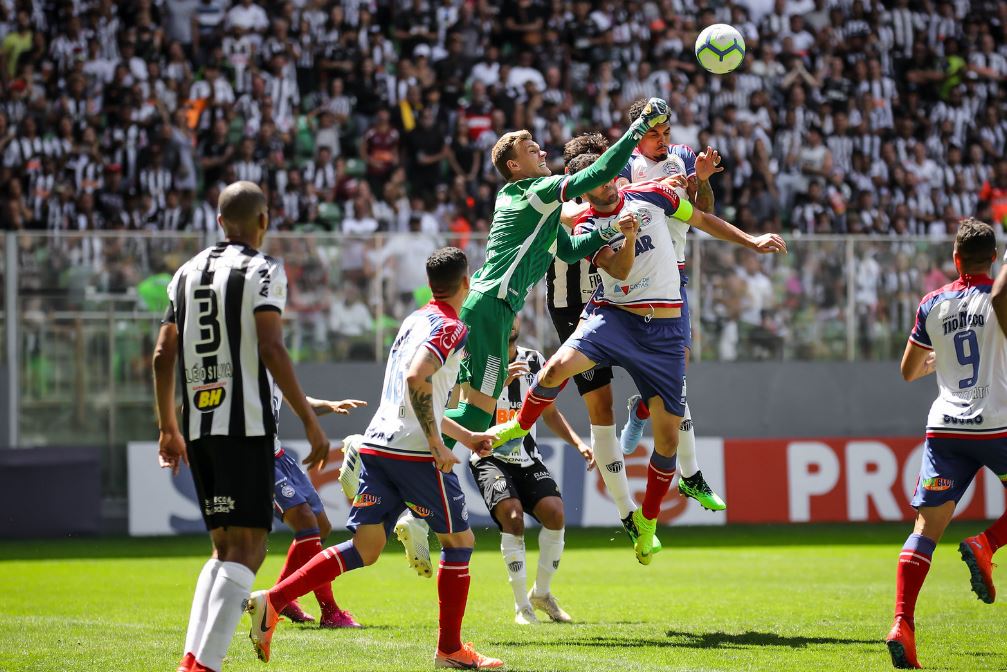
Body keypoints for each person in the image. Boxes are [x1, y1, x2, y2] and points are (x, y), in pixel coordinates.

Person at [489, 155, 785, 565]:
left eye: (610, 176)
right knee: (556, 368)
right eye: (598, 181)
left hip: (664, 332)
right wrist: (627, 237)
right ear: (584, 190)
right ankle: (518, 427)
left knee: (667, 440)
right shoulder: (587, 227)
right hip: (614, 317)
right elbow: (620, 271)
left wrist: (752, 240)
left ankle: (647, 521)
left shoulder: (652, 194)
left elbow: (701, 218)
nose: (609, 183)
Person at [245, 247, 504, 670]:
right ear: (466, 283)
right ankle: (450, 650)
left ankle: (272, 600)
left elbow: (416, 394)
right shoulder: (452, 327)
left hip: (377, 444)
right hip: (413, 452)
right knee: (460, 542)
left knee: (365, 548)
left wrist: (466, 436)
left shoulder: (413, 320)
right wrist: (437, 443)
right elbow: (416, 379)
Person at [153, 181, 330, 672]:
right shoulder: (264, 269)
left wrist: (168, 427)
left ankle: (192, 661)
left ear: (218, 221)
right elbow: (271, 346)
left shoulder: (185, 273)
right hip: (246, 426)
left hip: (198, 426)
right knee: (248, 550)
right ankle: (204, 666)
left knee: (223, 549)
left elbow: (163, 354)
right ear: (263, 221)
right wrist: (310, 422)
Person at [442, 97, 672, 458]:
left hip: (490, 306)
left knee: (477, 412)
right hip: (491, 307)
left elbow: (568, 250)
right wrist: (639, 127)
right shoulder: (535, 191)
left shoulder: (529, 203)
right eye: (533, 151)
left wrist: (611, 229)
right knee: (477, 413)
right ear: (514, 165)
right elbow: (596, 175)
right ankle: (408, 434)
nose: (543, 153)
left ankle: (414, 448)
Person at [885, 217, 1007, 669]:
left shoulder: (932, 303)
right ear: (993, 258)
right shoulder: (998, 298)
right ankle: (986, 544)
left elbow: (908, 371)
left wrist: (941, 357)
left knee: (924, 532)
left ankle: (902, 624)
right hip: (996, 424)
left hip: (946, 429)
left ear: (955, 259)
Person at [617, 98, 730, 511]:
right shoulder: (624, 164)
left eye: (666, 132)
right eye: (654, 133)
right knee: (666, 378)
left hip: (674, 276)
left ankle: (648, 419)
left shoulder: (682, 156)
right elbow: (615, 207)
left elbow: (704, 213)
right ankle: (686, 470)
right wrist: (656, 188)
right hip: (634, 276)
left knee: (676, 372)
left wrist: (702, 180)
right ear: (637, 135)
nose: (663, 139)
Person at [469, 317, 593, 625]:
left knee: (555, 513)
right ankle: (522, 607)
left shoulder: (535, 360)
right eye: (504, 313)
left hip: (527, 458)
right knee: (512, 516)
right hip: (490, 457)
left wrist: (579, 443)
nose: (510, 320)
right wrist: (499, 383)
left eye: (514, 313)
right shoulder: (479, 362)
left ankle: (542, 594)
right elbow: (467, 413)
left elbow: (548, 411)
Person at [270, 395, 367, 629]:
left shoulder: (272, 374)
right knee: (306, 522)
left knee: (321, 526)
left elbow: (298, 399)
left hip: (278, 455)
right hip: (253, 458)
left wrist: (330, 405)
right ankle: (330, 611)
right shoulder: (243, 375)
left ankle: (282, 597)